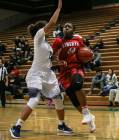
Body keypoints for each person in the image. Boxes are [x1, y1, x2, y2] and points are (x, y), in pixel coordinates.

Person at [9, 0, 72, 139]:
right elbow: (52, 24)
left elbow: (49, 59)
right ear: (42, 29)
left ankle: (61, 124)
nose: (49, 30)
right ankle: (16, 126)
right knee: (35, 99)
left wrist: (59, 62)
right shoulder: (38, 37)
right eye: (47, 28)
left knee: (58, 99)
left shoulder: (47, 45)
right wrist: (59, 9)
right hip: (36, 74)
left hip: (48, 74)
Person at [52, 22, 96, 133]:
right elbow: (51, 56)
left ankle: (86, 113)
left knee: (77, 84)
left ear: (73, 29)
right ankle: (90, 119)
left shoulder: (78, 39)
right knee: (74, 100)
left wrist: (90, 55)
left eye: (69, 26)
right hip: (64, 73)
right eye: (64, 26)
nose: (66, 27)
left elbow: (85, 51)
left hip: (76, 68)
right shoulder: (58, 41)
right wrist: (57, 62)